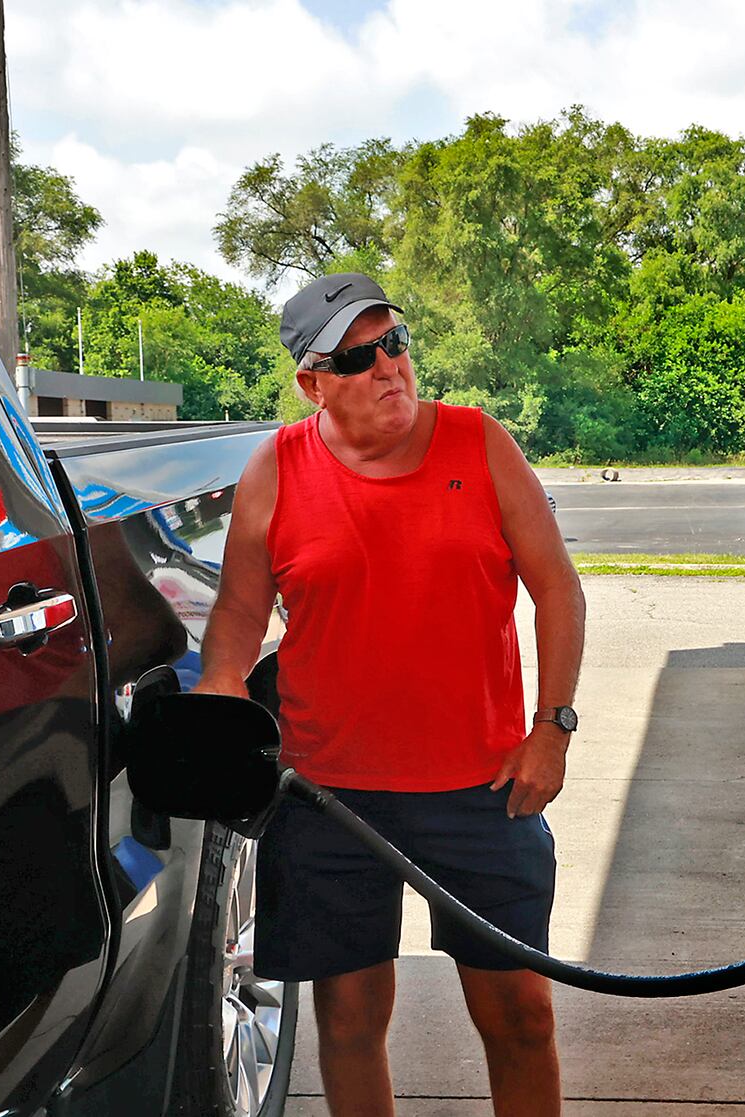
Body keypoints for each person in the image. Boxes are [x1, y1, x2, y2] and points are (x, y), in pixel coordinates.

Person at [196, 273, 585, 1117]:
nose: (390, 369)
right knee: (347, 1018)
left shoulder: (481, 444)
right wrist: (222, 685)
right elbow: (238, 606)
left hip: (483, 789)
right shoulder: (277, 469)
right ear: (313, 381)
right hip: (328, 794)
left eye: (395, 344)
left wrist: (551, 727)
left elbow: (557, 588)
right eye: (359, 357)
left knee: (521, 1012)